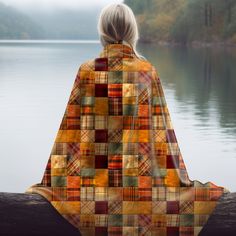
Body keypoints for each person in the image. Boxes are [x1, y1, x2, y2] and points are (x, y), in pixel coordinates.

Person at [25, 3, 229, 235]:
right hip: (140, 187)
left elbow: (69, 133)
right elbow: (162, 136)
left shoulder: (87, 71)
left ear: (102, 32)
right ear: (133, 32)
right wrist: (176, 178)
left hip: (93, 187)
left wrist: (52, 178)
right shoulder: (146, 71)